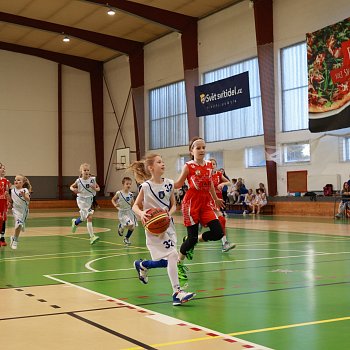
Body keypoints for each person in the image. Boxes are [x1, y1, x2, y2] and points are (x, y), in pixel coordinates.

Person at [129, 153, 195, 306]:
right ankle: (177, 292)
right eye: (159, 162)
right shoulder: (145, 187)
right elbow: (135, 206)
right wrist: (141, 213)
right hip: (154, 229)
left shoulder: (170, 183)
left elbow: (173, 205)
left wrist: (168, 214)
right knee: (172, 256)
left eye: (163, 161)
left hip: (168, 226)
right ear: (151, 167)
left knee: (168, 262)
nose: (163, 164)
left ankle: (143, 265)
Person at [174, 137, 228, 280]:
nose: (202, 150)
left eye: (203, 147)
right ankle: (178, 263)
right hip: (191, 204)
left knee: (218, 233)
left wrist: (215, 199)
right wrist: (162, 184)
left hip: (206, 203)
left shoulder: (209, 165)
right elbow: (179, 184)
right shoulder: (188, 166)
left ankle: (193, 239)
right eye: (198, 148)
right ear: (191, 151)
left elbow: (210, 182)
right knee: (191, 241)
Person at [209, 159, 236, 252]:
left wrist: (222, 183)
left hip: (217, 201)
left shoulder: (218, 174)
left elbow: (229, 182)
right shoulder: (205, 175)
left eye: (214, 164)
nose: (212, 165)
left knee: (222, 221)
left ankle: (225, 244)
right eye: (211, 164)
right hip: (208, 201)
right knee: (220, 221)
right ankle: (224, 243)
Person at [70, 163, 100, 245]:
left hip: (89, 200)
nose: (86, 171)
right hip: (81, 200)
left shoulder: (92, 179)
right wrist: (73, 189)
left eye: (88, 170)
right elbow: (71, 186)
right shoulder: (79, 181)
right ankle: (92, 236)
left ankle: (75, 222)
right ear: (81, 171)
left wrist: (95, 188)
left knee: (85, 218)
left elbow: (98, 188)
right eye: (84, 170)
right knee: (89, 217)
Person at [111, 176, 138, 245]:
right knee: (130, 224)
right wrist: (115, 205)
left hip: (129, 212)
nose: (129, 185)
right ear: (123, 184)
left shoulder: (131, 195)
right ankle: (121, 226)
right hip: (122, 212)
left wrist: (137, 211)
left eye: (130, 184)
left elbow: (133, 204)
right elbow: (113, 200)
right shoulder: (119, 193)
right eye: (127, 184)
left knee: (132, 227)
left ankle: (126, 238)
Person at [9, 174, 32, 250]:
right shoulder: (12, 191)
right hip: (16, 210)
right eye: (15, 180)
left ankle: (13, 237)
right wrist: (8, 201)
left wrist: (24, 196)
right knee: (18, 224)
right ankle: (15, 241)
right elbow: (12, 201)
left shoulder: (25, 190)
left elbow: (28, 199)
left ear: (23, 183)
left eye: (19, 180)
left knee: (20, 226)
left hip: (24, 211)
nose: (16, 181)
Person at [0, 163, 11, 247]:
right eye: (1, 168)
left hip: (4, 203)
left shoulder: (7, 181)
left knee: (3, 220)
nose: (3, 170)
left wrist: (9, 201)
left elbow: (8, 192)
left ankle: (2, 239)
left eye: (4, 168)